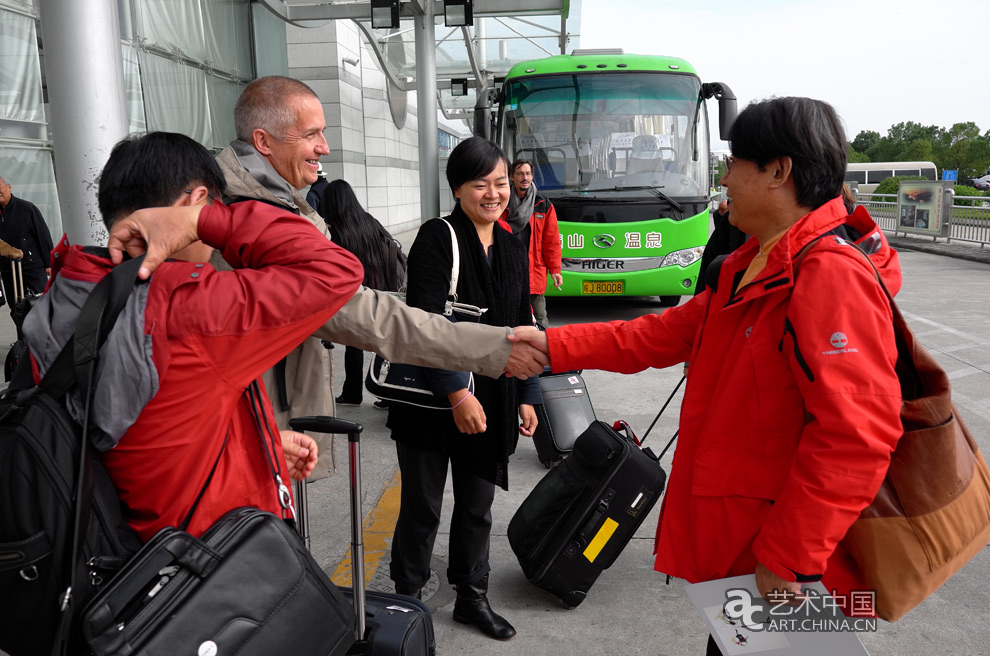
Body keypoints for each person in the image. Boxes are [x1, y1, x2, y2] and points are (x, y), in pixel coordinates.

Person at [510, 97, 903, 652]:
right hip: (744, 549)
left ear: (778, 171)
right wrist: (552, 344)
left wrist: (791, 559)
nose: (723, 176)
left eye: (735, 161)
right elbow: (654, 335)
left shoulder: (829, 276)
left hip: (786, 560)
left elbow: (857, 437)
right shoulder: (750, 265)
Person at [22, 132, 364, 540]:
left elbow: (153, 432)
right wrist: (205, 221)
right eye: (216, 205)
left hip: (116, 555)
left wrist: (260, 447)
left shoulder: (67, 291)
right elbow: (337, 271)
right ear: (195, 199)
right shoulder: (190, 307)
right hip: (207, 567)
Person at [214, 76, 548, 477]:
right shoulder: (244, 215)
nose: (325, 147)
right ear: (263, 141)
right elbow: (374, 315)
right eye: (311, 134)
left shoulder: (513, 242)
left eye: (501, 183)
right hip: (244, 419)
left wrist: (524, 387)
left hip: (267, 422)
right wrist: (486, 362)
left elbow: (520, 313)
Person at [388, 137, 540, 641]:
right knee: (423, 506)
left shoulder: (513, 245)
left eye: (500, 183)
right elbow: (424, 323)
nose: (494, 194)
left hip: (493, 398)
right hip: (434, 402)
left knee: (477, 506)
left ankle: (471, 597)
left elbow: (523, 327)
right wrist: (457, 393)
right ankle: (404, 603)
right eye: (482, 185)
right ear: (457, 189)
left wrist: (527, 397)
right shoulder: (437, 238)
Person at [318, 179, 403, 408]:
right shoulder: (369, 220)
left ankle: (352, 392)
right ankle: (389, 393)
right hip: (382, 289)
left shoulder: (334, 230)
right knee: (386, 340)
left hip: (355, 293)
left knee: (353, 344)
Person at [503, 159, 562, 326]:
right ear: (512, 177)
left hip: (533, 269)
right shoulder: (502, 201)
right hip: (509, 268)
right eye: (520, 173)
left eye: (528, 173)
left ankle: (546, 348)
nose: (525, 177)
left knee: (540, 317)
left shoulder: (542, 204)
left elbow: (551, 240)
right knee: (510, 315)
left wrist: (555, 270)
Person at [0, 176, 54, 302]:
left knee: (42, 303)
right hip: (9, 270)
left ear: (9, 187)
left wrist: (49, 263)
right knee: (16, 305)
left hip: (32, 266)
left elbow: (43, 235)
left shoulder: (27, 208)